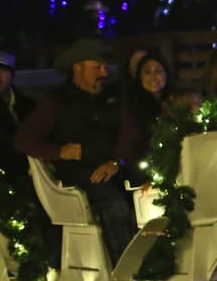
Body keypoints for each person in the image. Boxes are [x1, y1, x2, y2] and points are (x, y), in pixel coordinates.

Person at [14, 39, 140, 267]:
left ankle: (155, 264)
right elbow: (24, 140)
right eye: (97, 67)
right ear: (77, 69)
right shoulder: (56, 101)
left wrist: (116, 162)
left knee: (151, 198)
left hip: (117, 169)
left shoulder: (114, 97)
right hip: (79, 175)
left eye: (104, 67)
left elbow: (129, 134)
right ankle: (126, 274)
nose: (103, 73)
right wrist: (59, 151)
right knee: (115, 205)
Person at [0, 50, 60, 265]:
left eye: (3, 71)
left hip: (39, 167)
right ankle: (46, 259)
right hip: (7, 172)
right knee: (37, 205)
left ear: (12, 75)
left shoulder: (29, 106)